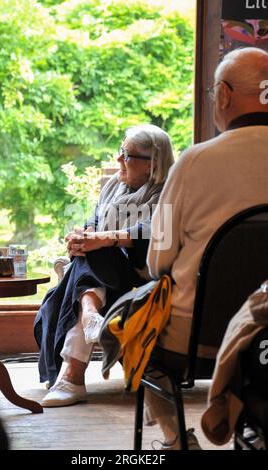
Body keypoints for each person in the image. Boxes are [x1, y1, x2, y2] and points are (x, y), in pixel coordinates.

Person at [145, 47, 268, 450]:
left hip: (198, 336)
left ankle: (175, 438)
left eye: (214, 91)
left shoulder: (192, 162)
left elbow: (157, 260)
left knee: (138, 339)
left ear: (226, 96)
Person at [34, 124, 174, 407]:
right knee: (93, 252)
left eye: (128, 154)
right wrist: (80, 238)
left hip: (143, 281)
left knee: (101, 251)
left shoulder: (168, 191)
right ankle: (89, 317)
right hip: (107, 278)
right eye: (120, 151)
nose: (119, 159)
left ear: (153, 164)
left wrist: (102, 239)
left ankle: (73, 374)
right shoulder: (114, 186)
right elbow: (94, 225)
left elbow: (154, 232)